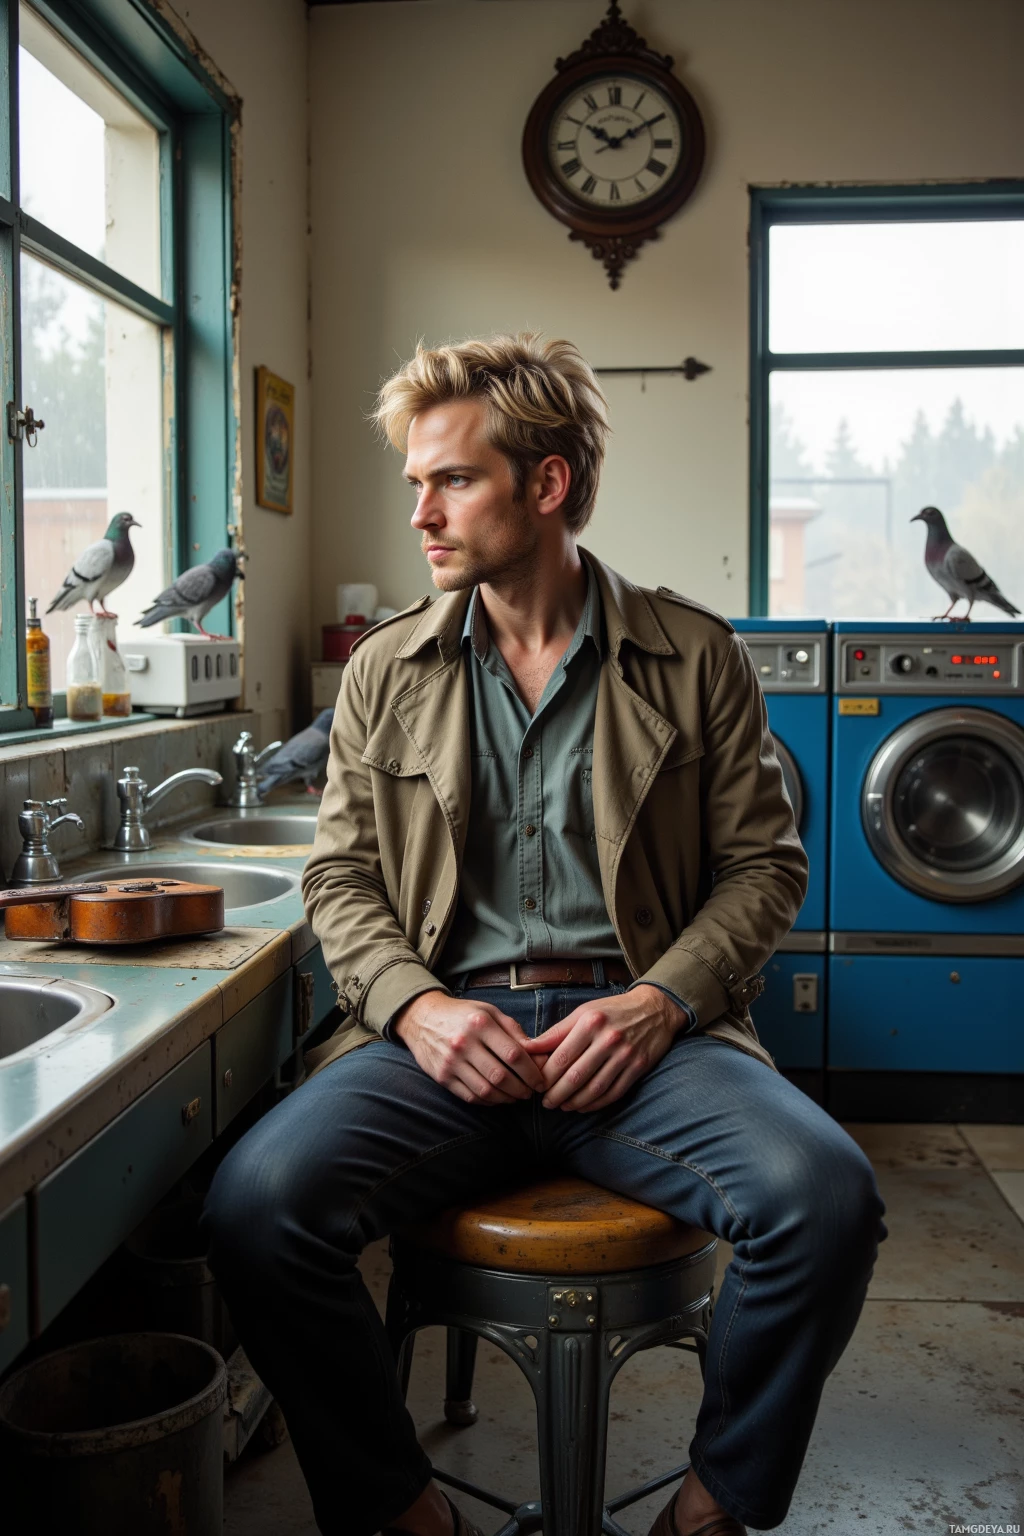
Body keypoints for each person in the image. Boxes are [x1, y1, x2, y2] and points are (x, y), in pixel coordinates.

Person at [204, 333, 887, 1536]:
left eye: (450, 479)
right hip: (440, 1045)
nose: (419, 511)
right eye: (414, 480)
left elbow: (763, 868)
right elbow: (343, 879)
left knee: (825, 1200)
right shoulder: (383, 673)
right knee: (256, 1205)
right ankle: (404, 1515)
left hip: (644, 1042)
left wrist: (660, 1003)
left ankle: (711, 1510)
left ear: (548, 483)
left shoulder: (695, 658)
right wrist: (415, 1008)